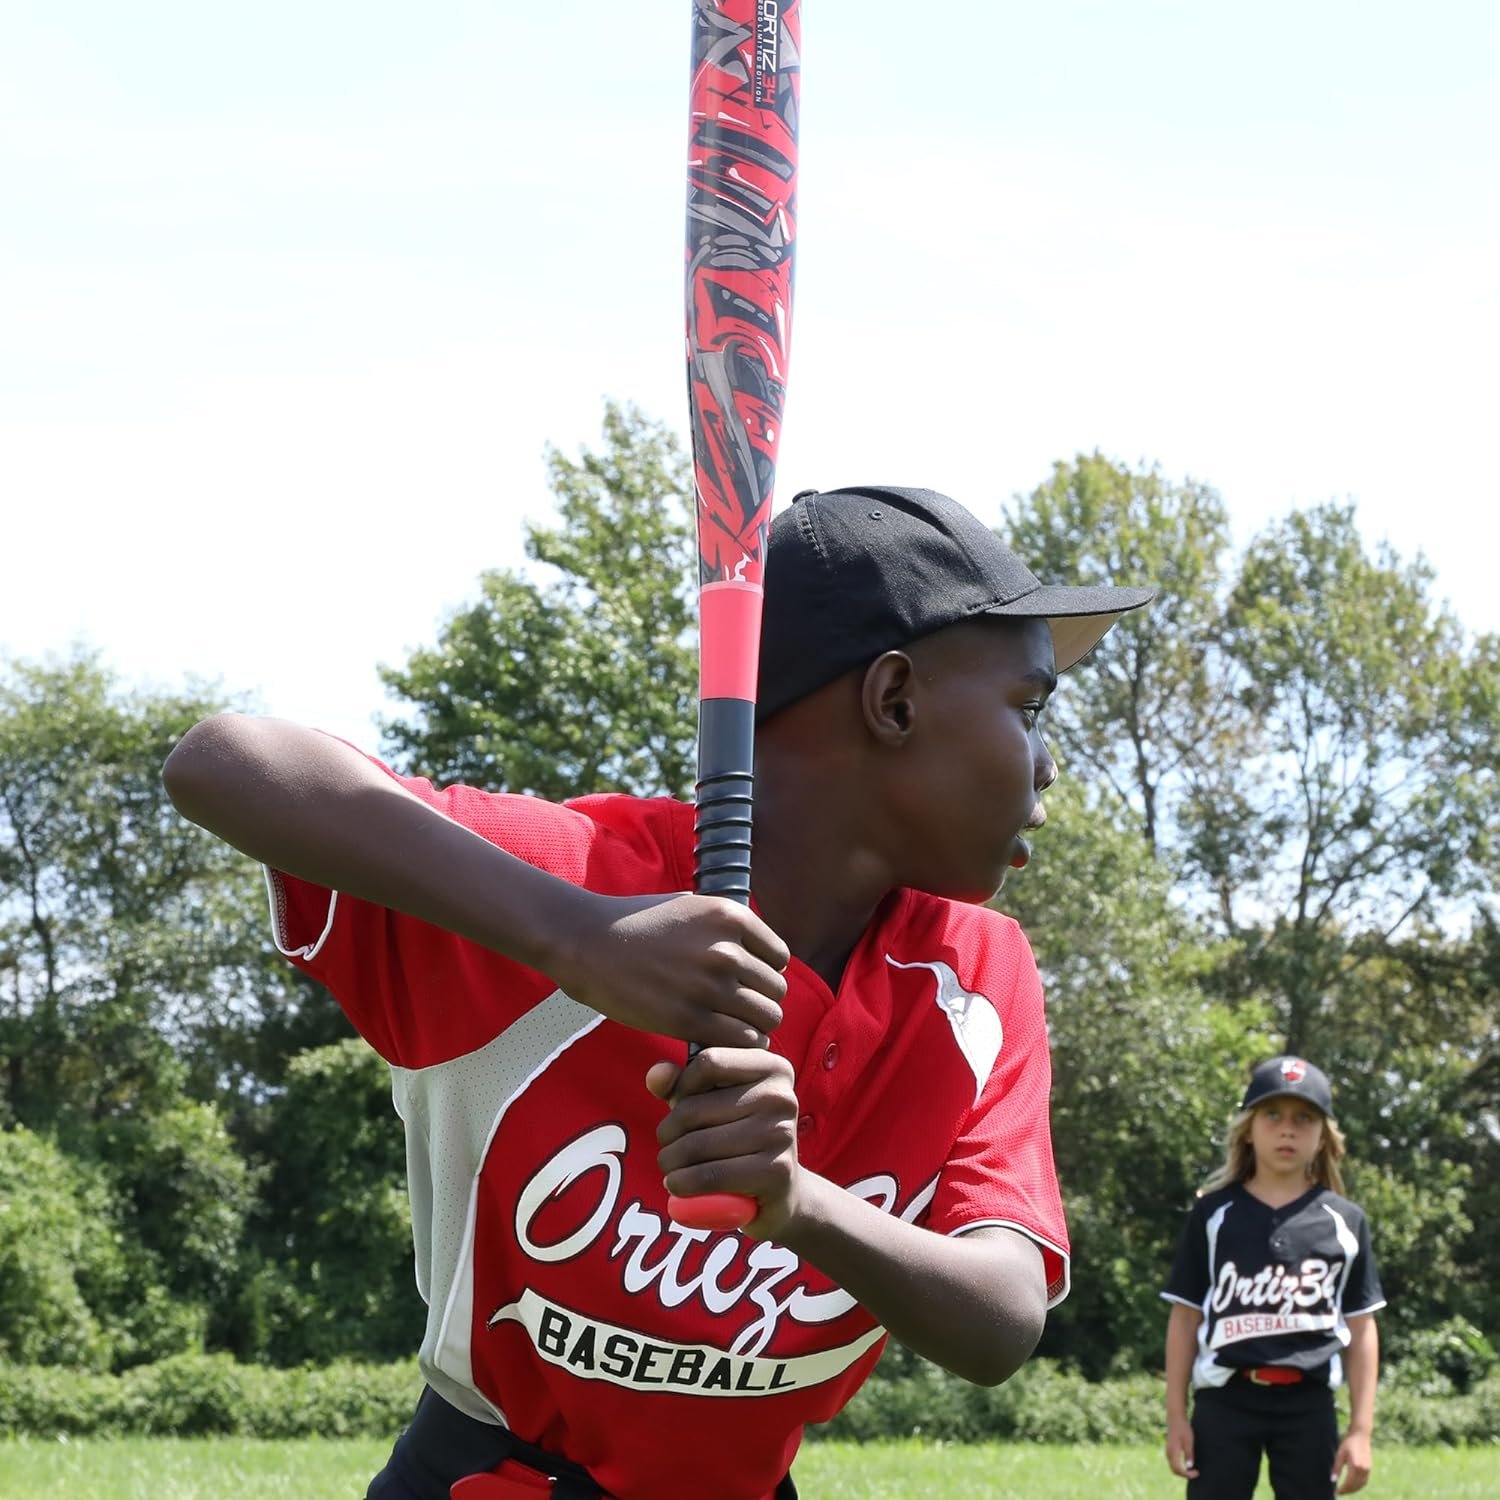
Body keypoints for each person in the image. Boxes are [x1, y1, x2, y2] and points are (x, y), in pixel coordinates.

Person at [163, 485, 1153, 1500]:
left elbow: (1001, 1322)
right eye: (1030, 709)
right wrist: (575, 938)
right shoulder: (584, 882)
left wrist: (799, 1204)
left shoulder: (978, 976)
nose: (1047, 766)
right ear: (894, 700)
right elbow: (222, 761)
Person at [1162, 1056, 1386, 1499]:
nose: (1288, 1129)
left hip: (1309, 1403)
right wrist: (1176, 1417)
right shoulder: (1214, 1214)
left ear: (1323, 1135)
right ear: (1248, 1128)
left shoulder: (1344, 1221)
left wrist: (1361, 1430)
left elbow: (1362, 1329)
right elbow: (1185, 1318)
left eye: (1304, 1118)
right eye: (1272, 1114)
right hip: (1225, 1398)